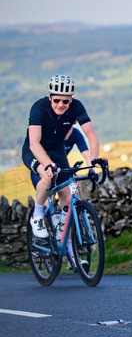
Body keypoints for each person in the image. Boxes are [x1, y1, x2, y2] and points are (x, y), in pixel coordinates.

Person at [23, 75, 104, 258]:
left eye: (65, 101)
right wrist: (47, 164)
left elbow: (91, 134)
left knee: (67, 194)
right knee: (47, 176)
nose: (61, 104)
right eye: (57, 100)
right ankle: (37, 216)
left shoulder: (77, 107)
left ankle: (69, 249)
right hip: (35, 151)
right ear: (50, 98)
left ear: (71, 100)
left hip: (58, 152)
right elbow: (34, 143)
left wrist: (94, 161)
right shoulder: (39, 108)